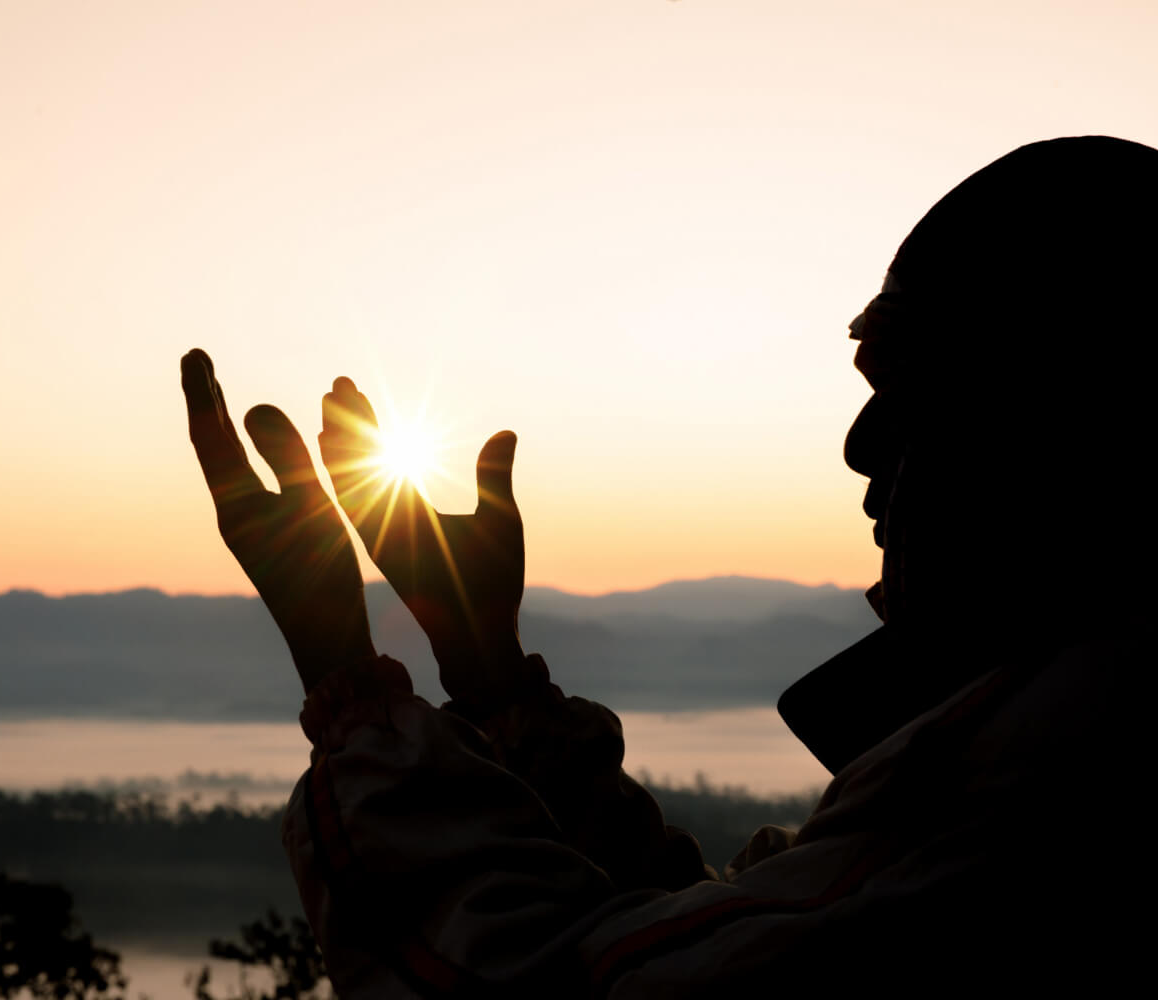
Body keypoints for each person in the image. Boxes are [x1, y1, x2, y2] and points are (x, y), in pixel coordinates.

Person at [180, 136, 1154, 997]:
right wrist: (485, 669)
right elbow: (697, 929)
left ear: (1070, 412)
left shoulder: (1061, 759)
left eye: (911, 383)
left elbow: (565, 978)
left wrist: (344, 679)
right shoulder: (1029, 739)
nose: (860, 444)